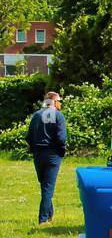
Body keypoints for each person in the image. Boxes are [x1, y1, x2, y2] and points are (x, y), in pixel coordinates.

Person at [27, 92, 67, 225]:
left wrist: (34, 149)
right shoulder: (58, 115)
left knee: (44, 186)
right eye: (59, 101)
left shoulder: (36, 115)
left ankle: (49, 215)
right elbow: (61, 138)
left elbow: (29, 136)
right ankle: (43, 219)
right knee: (48, 187)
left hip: (38, 154)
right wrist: (61, 151)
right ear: (54, 102)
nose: (60, 103)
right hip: (53, 155)